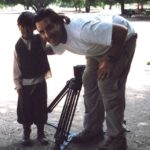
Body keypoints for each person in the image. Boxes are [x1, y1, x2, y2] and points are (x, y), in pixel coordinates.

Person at [34, 8, 137, 150]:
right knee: (88, 79)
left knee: (107, 84)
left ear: (59, 22)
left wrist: (109, 60)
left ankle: (117, 138)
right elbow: (51, 49)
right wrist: (38, 41)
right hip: (98, 47)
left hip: (121, 39)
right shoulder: (57, 35)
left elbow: (122, 31)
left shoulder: (82, 30)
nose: (47, 34)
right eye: (41, 31)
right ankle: (93, 130)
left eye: (49, 27)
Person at [13, 11, 52, 146]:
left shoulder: (40, 40)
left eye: (29, 26)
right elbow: (16, 67)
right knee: (26, 110)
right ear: (19, 27)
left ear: (34, 27)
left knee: (40, 109)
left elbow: (51, 37)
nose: (26, 29)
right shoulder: (18, 46)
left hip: (40, 83)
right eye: (22, 26)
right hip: (25, 86)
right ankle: (26, 134)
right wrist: (18, 85)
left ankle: (41, 133)